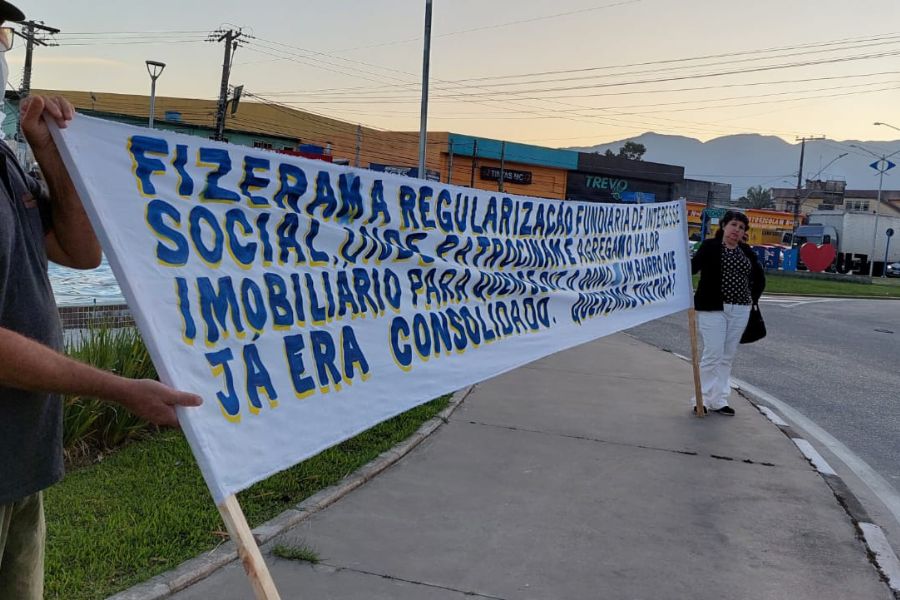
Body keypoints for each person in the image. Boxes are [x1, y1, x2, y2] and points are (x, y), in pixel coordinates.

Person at [0, 2, 202, 598]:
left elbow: (81, 251)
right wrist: (119, 389)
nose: (0, 50)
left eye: (1, 37)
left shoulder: (4, 159)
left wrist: (50, 153)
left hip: (18, 467)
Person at [690, 210, 765, 416]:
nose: (736, 230)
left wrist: (752, 299)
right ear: (723, 226)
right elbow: (692, 268)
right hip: (713, 307)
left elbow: (758, 278)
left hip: (740, 309)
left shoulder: (747, 252)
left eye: (741, 228)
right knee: (713, 353)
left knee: (727, 356)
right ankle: (701, 398)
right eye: (733, 225)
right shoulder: (710, 247)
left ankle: (719, 399)